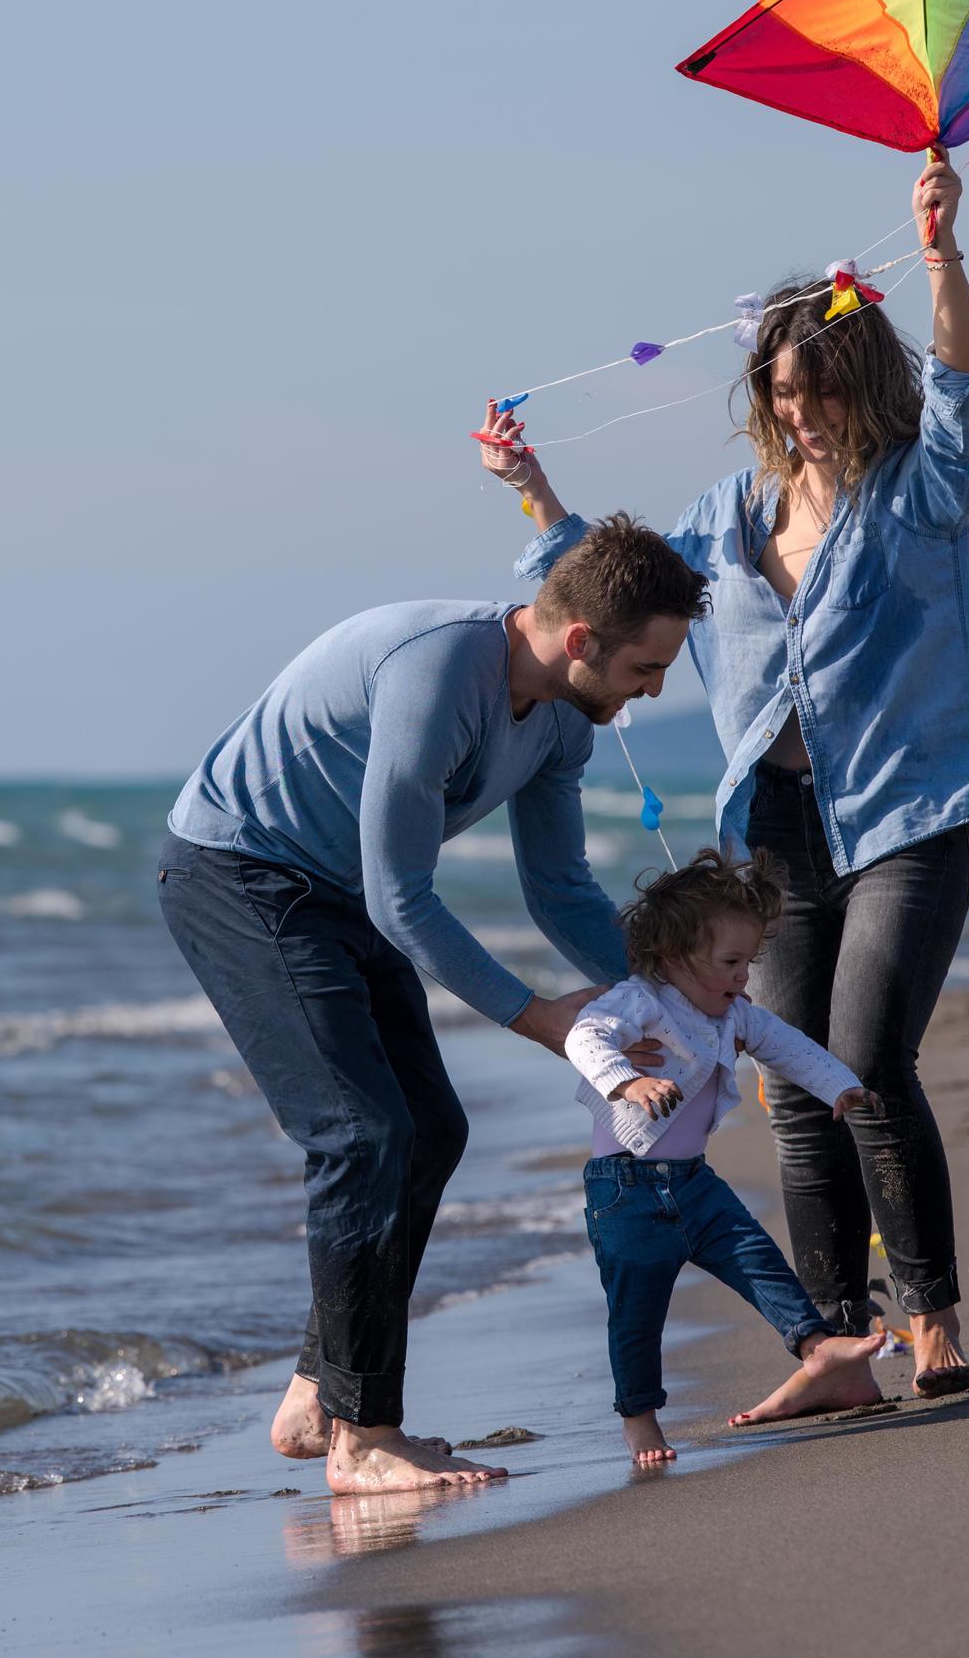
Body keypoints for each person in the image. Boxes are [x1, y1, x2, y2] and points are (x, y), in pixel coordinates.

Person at [476, 149, 969, 1409]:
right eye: (784, 392)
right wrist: (536, 491)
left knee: (865, 1055)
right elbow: (629, 584)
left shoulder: (913, 495)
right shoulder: (728, 514)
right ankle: (836, 1344)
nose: (804, 413)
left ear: (858, 383)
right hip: (771, 829)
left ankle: (927, 1316)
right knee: (784, 1084)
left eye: (820, 390)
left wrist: (939, 254)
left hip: (907, 814)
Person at [156, 517, 708, 1494]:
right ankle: (364, 1438)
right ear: (581, 640)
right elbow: (401, 896)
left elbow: (561, 890)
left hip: (338, 889)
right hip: (242, 872)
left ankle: (321, 1390)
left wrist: (673, 994)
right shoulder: (439, 673)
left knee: (431, 1129)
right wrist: (542, 1017)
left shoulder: (565, 719)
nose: (655, 689)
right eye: (647, 666)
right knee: (361, 1134)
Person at [563, 850, 888, 1465]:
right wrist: (625, 1081)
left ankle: (817, 1347)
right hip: (625, 1189)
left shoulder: (732, 1010)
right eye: (730, 962)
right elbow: (586, 1032)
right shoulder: (643, 1001)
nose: (744, 976)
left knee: (759, 1261)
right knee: (637, 1311)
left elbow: (786, 1043)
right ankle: (641, 1422)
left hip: (693, 1183)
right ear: (672, 957)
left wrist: (838, 1084)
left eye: (750, 961)